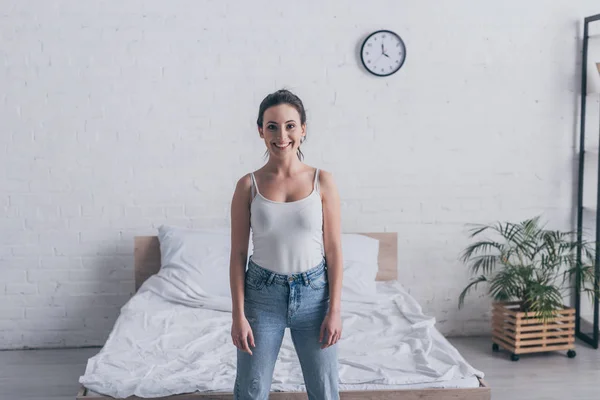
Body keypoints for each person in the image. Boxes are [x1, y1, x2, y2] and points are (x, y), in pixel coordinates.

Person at [228, 89, 343, 399]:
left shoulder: (323, 181)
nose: (282, 135)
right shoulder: (247, 185)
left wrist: (334, 310)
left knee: (325, 391)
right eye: (273, 126)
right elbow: (238, 255)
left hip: (315, 297)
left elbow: (333, 251)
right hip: (262, 298)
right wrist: (238, 316)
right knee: (251, 391)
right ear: (261, 131)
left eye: (290, 125)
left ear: (303, 129)